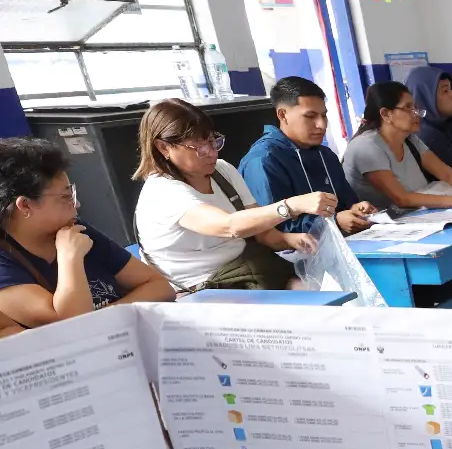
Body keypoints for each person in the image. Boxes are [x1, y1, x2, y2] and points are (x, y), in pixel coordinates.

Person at [133, 98, 319, 290]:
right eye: (198, 148)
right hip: (202, 287)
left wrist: (288, 239)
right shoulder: (162, 192)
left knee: (318, 289)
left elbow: (261, 231)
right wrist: (290, 206)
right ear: (164, 147)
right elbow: (229, 226)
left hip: (247, 269)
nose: (212, 153)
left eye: (213, 142)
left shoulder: (222, 171)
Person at [0, 137, 173, 331]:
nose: (77, 205)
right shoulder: (6, 261)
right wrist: (70, 258)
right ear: (25, 205)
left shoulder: (74, 228)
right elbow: (73, 325)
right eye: (65, 197)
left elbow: (160, 286)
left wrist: (107, 315)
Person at [237, 75, 375, 238]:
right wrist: (335, 222)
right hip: (293, 257)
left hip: (340, 245)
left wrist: (357, 210)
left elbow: (346, 202)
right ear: (282, 115)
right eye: (310, 116)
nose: (321, 125)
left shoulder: (325, 155)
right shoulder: (264, 160)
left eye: (324, 115)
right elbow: (273, 230)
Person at [342, 81, 452, 212]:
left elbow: (446, 173)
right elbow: (402, 198)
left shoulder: (410, 139)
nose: (417, 114)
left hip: (415, 217)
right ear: (386, 114)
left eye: (416, 107)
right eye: (408, 108)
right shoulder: (367, 146)